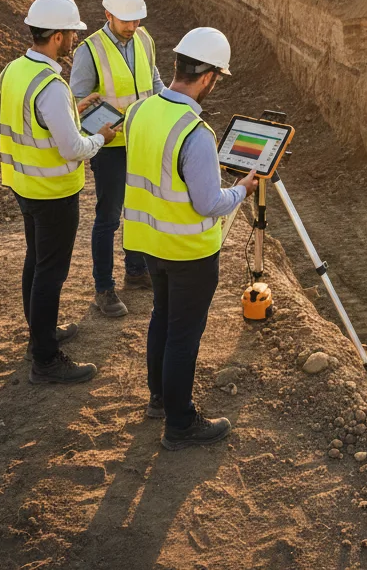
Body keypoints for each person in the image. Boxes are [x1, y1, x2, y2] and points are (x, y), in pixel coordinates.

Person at [122, 27, 256, 449]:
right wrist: (243, 189)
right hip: (189, 252)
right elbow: (208, 204)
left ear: (178, 65)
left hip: (150, 242)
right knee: (183, 336)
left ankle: (160, 399)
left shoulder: (139, 112)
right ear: (209, 77)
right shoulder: (196, 133)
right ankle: (180, 423)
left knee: (162, 319)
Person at [0, 0, 116, 384]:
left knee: (36, 261)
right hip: (53, 193)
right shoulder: (50, 84)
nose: (75, 41)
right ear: (57, 36)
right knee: (51, 273)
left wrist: (75, 110)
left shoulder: (14, 70)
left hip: (24, 185)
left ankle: (40, 335)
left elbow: (36, 121)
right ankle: (46, 360)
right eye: (71, 33)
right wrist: (99, 136)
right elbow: (72, 148)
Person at [70, 0, 163, 318]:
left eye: (137, 20)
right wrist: (101, 132)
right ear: (107, 14)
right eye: (126, 21)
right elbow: (76, 103)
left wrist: (167, 106)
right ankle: (103, 288)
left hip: (142, 140)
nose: (133, 26)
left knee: (139, 209)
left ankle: (136, 271)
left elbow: (153, 80)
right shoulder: (90, 50)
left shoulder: (144, 38)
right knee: (108, 217)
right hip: (110, 147)